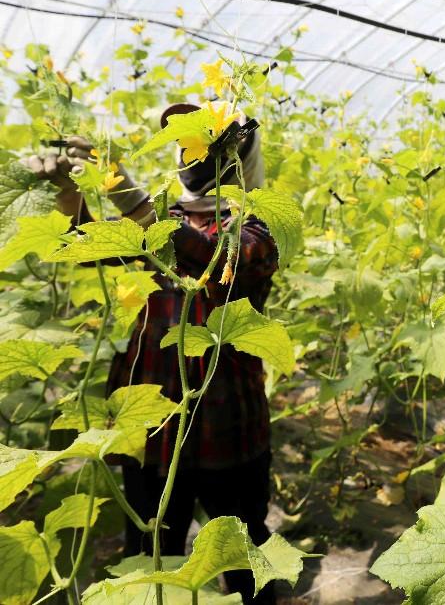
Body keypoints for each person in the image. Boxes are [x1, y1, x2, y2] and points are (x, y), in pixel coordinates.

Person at [25, 104, 278, 604]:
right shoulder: (165, 216)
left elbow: (217, 256)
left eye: (207, 143)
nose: (192, 153)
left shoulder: (260, 226)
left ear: (240, 154)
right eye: (185, 143)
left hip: (226, 426)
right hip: (147, 424)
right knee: (150, 552)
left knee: (244, 553)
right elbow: (89, 245)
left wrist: (132, 198)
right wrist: (70, 190)